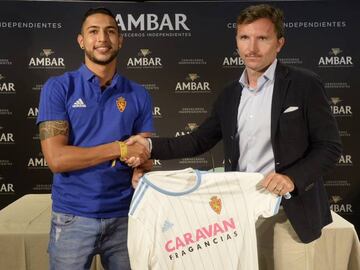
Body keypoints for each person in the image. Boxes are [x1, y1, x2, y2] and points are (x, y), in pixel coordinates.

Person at [127, 4, 342, 270]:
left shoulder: (305, 84)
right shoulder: (230, 94)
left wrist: (291, 179)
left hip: (291, 215)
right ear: (237, 42)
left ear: (279, 43)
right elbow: (198, 140)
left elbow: (329, 147)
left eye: (262, 38)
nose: (252, 47)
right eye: (244, 38)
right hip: (239, 216)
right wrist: (148, 145)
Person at [36, 7, 154, 270]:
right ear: (81, 41)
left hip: (126, 217)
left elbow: (143, 154)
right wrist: (118, 148)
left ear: (120, 40)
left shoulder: (139, 94)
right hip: (72, 218)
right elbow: (57, 159)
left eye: (110, 31)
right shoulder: (58, 88)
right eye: (94, 31)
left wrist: (142, 164)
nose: (102, 38)